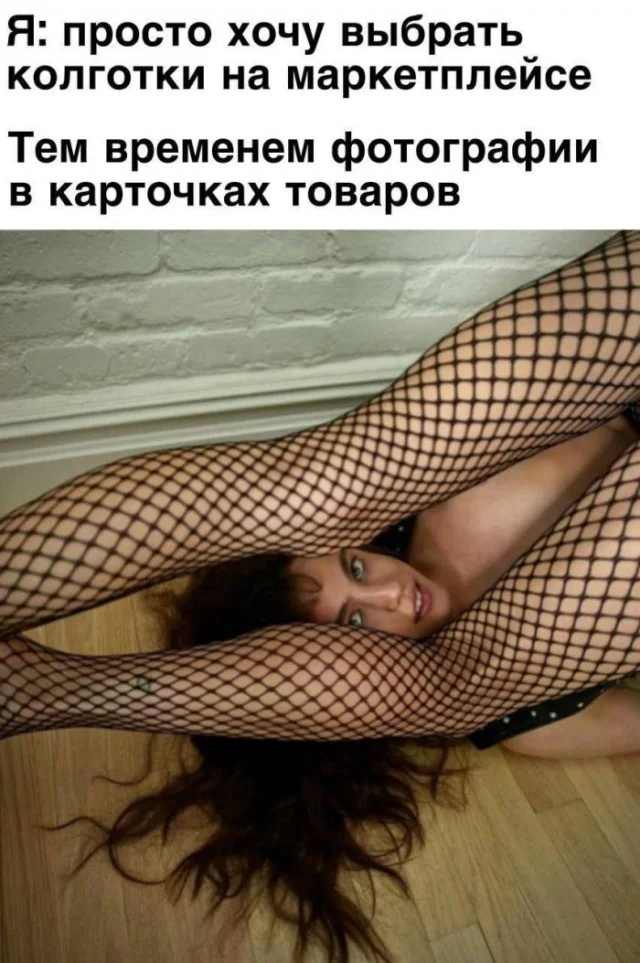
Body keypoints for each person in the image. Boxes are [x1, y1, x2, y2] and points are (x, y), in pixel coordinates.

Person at [1, 231, 639, 963]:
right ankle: (38, 691)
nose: (393, 591)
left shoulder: (421, 504)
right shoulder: (515, 713)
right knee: (458, 686)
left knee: (316, 490)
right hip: (476, 679)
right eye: (358, 624)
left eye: (357, 568)